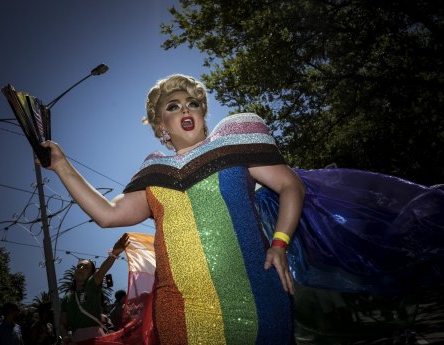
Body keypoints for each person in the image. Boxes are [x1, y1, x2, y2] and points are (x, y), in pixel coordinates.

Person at [40, 74, 305, 344]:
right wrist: (61, 165)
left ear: (202, 113)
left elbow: (290, 185)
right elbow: (106, 215)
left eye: (192, 103)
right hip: (181, 311)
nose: (186, 109)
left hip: (258, 296)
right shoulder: (154, 173)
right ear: (160, 125)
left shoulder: (233, 148)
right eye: (173, 106)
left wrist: (279, 243)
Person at [59, 233, 130, 345]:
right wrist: (65, 338)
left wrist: (114, 254)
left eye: (86, 267)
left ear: (91, 275)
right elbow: (62, 323)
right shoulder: (67, 298)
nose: (81, 268)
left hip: (97, 339)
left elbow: (102, 270)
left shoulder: (91, 285)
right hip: (75, 340)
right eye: (79, 266)